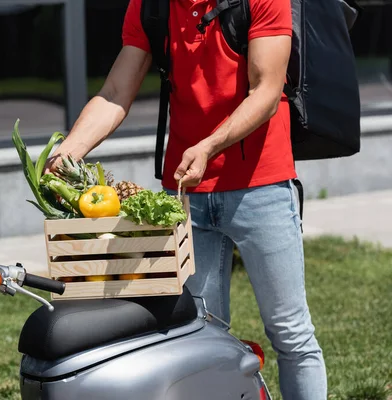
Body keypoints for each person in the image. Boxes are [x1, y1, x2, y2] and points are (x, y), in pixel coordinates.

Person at [44, 0, 326, 398]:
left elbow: (265, 90)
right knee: (202, 336)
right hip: (185, 194)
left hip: (261, 185)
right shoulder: (150, 7)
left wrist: (209, 146)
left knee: (290, 332)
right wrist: (67, 152)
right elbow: (114, 92)